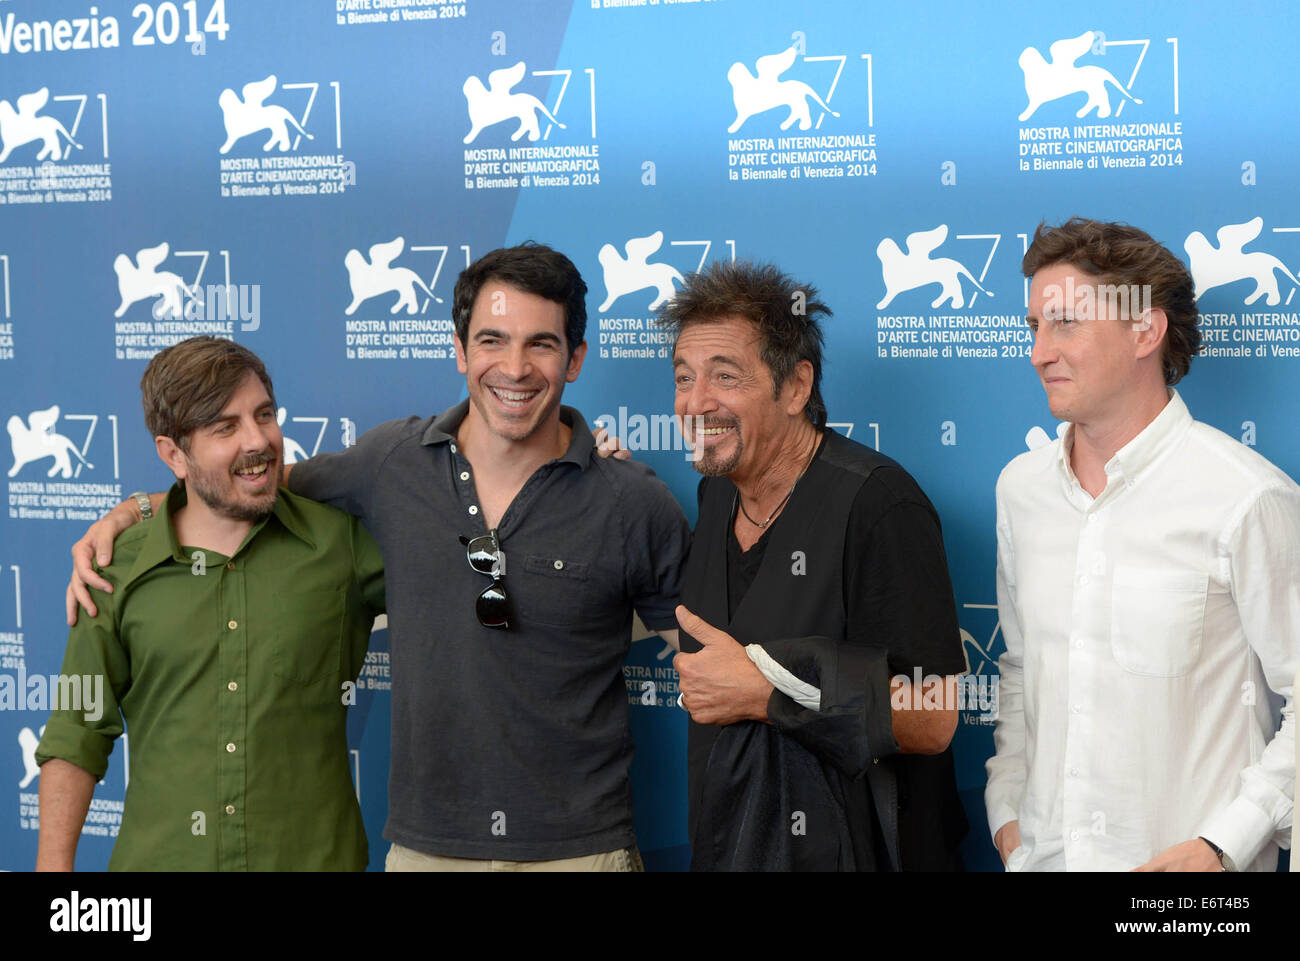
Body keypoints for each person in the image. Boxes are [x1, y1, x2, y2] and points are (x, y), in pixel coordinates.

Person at [68, 243, 689, 872]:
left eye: (542, 345)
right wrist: (140, 509)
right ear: (460, 349)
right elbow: (250, 480)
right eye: (493, 340)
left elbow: (706, 659)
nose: (515, 367)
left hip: (580, 852)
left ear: (575, 358)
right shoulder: (392, 462)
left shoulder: (632, 501)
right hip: (426, 850)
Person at [986, 218, 1300, 872]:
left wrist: (1225, 842)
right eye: (1034, 327)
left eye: (1065, 323)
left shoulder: (1245, 497)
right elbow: (1021, 672)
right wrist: (1006, 814)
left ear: (1145, 331)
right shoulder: (1021, 490)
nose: (1039, 351)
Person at [663, 260, 968, 871]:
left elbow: (933, 716)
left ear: (796, 386)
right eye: (684, 377)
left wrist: (764, 691)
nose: (696, 402)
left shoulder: (880, 505)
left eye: (725, 376)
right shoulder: (717, 492)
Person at [37, 337, 386, 870]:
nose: (258, 440)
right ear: (173, 453)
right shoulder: (113, 569)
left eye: (264, 415)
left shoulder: (342, 544)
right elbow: (76, 731)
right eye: (226, 427)